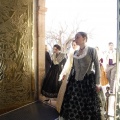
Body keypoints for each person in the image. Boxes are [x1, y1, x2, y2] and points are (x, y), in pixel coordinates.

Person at [59, 32, 102, 120]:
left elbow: (97, 66)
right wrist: (68, 80)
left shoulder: (92, 50)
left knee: (86, 104)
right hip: (75, 81)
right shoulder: (75, 52)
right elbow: (73, 67)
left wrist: (98, 83)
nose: (75, 39)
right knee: (74, 102)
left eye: (78, 37)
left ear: (84, 39)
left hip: (87, 81)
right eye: (75, 37)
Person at [56, 40, 79, 113]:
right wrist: (64, 73)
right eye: (73, 44)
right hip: (71, 71)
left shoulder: (81, 52)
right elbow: (68, 63)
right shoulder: (71, 52)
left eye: (75, 44)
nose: (73, 45)